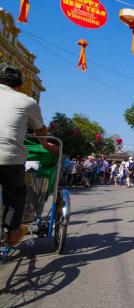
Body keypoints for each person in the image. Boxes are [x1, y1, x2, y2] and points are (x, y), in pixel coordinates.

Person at [0, 63, 57, 246]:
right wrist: (45, 144)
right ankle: (12, 230)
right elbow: (40, 130)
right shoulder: (26, 101)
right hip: (9, 158)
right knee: (16, 193)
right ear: (19, 85)